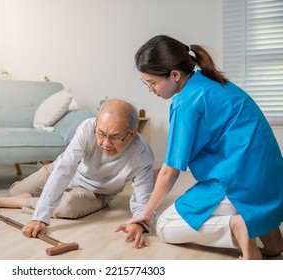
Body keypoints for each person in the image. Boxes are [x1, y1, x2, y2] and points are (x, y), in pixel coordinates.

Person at [117, 35, 283, 260]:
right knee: (273, 250)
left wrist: (146, 214)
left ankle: (236, 226)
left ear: (174, 75)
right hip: (269, 176)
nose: (150, 89)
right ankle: (271, 242)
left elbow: (170, 171)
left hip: (238, 181)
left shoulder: (186, 102)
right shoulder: (209, 81)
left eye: (152, 82)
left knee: (165, 225)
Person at [0, 98, 156, 248]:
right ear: (96, 125)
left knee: (68, 207)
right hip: (64, 171)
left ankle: (24, 202)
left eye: (115, 137)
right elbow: (64, 169)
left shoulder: (142, 155)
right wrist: (40, 216)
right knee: (14, 190)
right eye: (101, 133)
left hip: (96, 192)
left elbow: (144, 199)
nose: (106, 143)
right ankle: (23, 197)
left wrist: (139, 224)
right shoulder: (87, 127)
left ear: (132, 133)